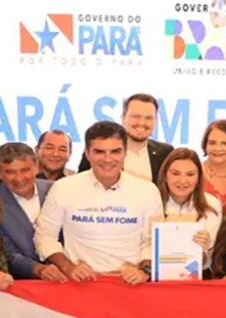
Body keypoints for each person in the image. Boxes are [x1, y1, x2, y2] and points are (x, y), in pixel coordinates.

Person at [36, 121, 164, 284]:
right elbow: (44, 236)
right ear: (87, 153)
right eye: (99, 152)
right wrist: (69, 267)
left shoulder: (148, 190)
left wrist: (144, 272)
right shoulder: (63, 187)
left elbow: (153, 241)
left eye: (115, 151)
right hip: (80, 285)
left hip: (130, 286)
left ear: (125, 152)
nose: (108, 159)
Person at [0, 143, 67, 281]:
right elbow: (5, 252)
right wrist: (37, 269)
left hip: (70, 274)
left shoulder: (56, 190)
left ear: (36, 167)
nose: (19, 178)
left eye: (25, 170)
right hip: (24, 281)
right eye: (10, 172)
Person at [78, 93, 174, 182]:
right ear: (123, 118)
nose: (142, 122)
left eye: (148, 118)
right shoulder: (98, 151)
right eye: (136, 116)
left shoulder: (165, 153)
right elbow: (82, 185)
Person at [157, 148, 222, 261]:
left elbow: (208, 258)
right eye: (175, 173)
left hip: (196, 269)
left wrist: (204, 248)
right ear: (165, 175)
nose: (183, 181)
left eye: (190, 174)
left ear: (199, 178)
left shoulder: (212, 204)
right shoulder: (151, 201)